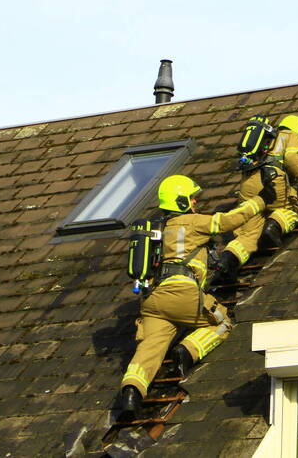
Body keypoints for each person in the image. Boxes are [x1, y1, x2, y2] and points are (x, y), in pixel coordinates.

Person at [114, 174, 272, 421]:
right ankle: (187, 351)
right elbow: (229, 221)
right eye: (192, 198)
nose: (196, 203)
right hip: (182, 292)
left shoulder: (158, 229)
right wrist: (261, 201)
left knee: (149, 348)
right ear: (181, 201)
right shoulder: (192, 222)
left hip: (152, 300)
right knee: (223, 321)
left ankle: (131, 393)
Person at [213, 115, 298, 284]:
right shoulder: (290, 135)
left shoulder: (266, 139)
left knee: (248, 234)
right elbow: (293, 160)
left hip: (247, 184)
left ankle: (227, 262)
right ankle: (274, 227)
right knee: (295, 205)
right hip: (272, 179)